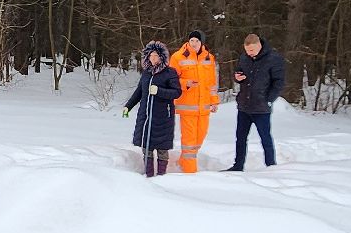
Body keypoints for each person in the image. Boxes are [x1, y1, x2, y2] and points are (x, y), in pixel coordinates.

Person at [226, 33, 285, 171]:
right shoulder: (244, 58)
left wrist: (269, 99)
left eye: (252, 50)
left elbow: (279, 82)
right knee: (240, 138)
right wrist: (237, 77)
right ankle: (238, 165)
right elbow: (238, 73)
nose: (249, 53)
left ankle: (270, 166)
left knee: (265, 138)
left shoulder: (273, 59)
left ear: (259, 45)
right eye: (247, 51)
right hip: (244, 105)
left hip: (261, 107)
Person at [122, 41, 182, 176]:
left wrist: (159, 91)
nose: (153, 58)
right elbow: (139, 92)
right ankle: (148, 175)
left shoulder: (170, 73)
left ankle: (161, 176)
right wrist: (128, 106)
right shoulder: (146, 73)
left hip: (163, 117)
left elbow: (177, 92)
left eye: (156, 55)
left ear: (162, 57)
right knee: (147, 147)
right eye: (151, 56)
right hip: (146, 116)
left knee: (162, 148)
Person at [169, 30, 219, 173]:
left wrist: (214, 101)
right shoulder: (178, 57)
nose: (194, 43)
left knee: (200, 137)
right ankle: (190, 171)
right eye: (192, 41)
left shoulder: (209, 58)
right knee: (189, 141)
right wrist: (185, 83)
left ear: (202, 42)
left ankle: (183, 161)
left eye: (197, 41)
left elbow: (212, 83)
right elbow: (171, 80)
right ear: (188, 42)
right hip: (188, 106)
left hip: (204, 107)